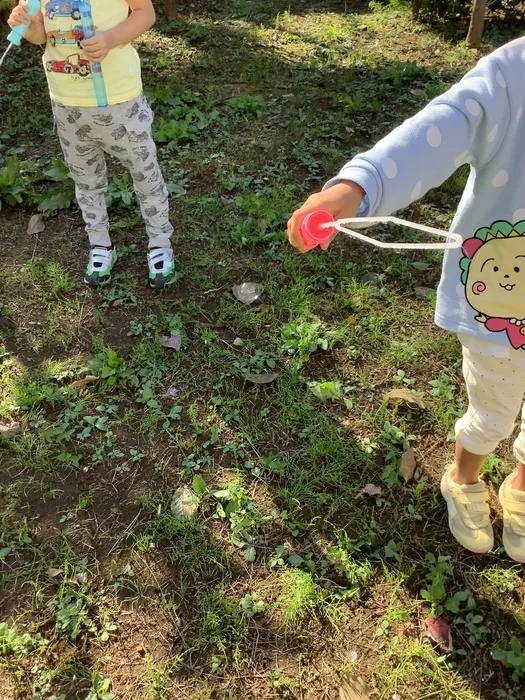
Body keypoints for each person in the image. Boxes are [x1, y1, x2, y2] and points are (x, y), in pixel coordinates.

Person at [287, 36, 525, 563]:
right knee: (494, 410)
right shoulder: (515, 74)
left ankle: (521, 488)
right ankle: (463, 480)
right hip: (504, 307)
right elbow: (439, 129)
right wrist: (358, 187)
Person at [7, 0, 175, 289]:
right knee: (86, 182)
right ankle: (100, 245)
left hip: (120, 103)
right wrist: (29, 26)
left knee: (145, 174)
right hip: (68, 105)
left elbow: (145, 14)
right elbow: (41, 36)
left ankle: (159, 243)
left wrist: (109, 39)